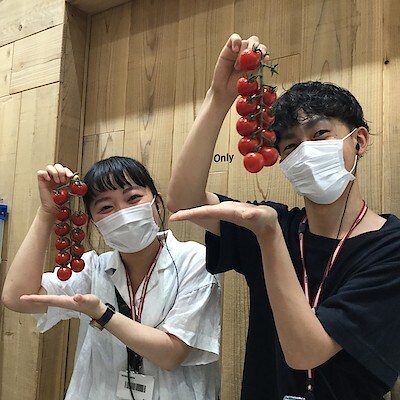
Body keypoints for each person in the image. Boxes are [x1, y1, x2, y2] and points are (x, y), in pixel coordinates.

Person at [167, 33, 400, 400]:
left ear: (359, 141)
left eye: (320, 134)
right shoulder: (275, 223)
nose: (306, 151)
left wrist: (269, 236)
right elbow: (182, 200)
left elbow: (307, 351)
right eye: (291, 145)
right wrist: (219, 97)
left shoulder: (391, 247)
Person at [1, 156, 220, 400]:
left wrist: (102, 314)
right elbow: (17, 297)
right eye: (106, 207)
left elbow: (171, 355)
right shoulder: (92, 268)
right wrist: (47, 212)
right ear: (95, 224)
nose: (123, 213)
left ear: (157, 203)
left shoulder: (195, 261)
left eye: (133, 198)